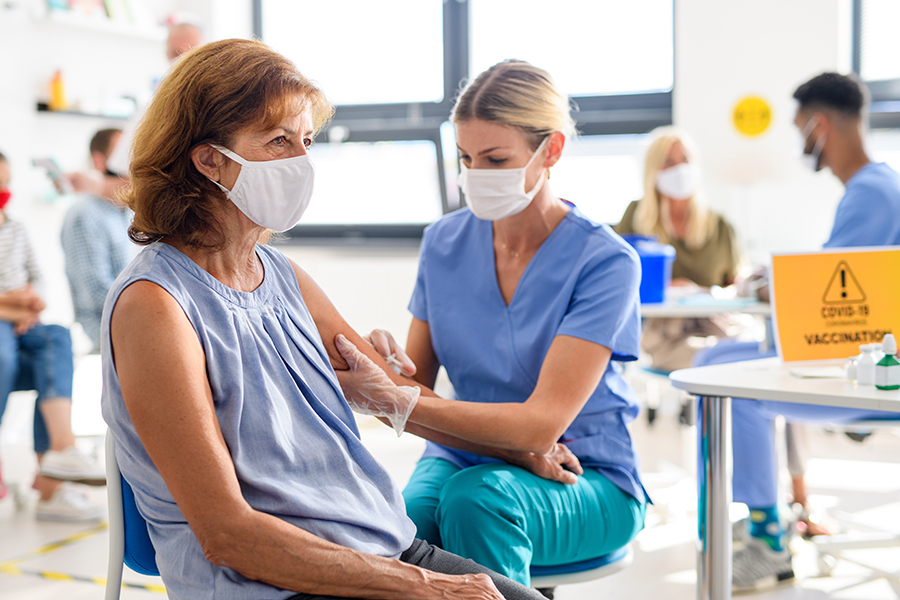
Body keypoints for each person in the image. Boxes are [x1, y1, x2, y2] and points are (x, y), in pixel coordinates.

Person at [102, 38, 553, 600]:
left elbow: (394, 392)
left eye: (306, 141)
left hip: (378, 545)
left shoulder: (282, 276)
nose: (301, 161)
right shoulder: (156, 305)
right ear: (209, 158)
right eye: (278, 141)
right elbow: (228, 536)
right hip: (273, 580)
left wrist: (510, 446)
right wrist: (425, 587)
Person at [337, 60, 648, 592]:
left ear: (550, 151)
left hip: (585, 472)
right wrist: (385, 371)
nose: (476, 174)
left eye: (496, 158)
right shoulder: (444, 243)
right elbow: (416, 390)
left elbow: (540, 428)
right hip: (460, 453)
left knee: (478, 502)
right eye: (466, 158)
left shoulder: (605, 261)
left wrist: (395, 398)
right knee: (398, 522)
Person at [726, 72, 900, 592]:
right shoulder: (877, 187)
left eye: (802, 128)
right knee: (721, 361)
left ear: (820, 126)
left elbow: (832, 296)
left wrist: (767, 288)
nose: (802, 141)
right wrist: (776, 282)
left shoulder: (872, 194)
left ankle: (767, 539)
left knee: (736, 388)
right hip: (867, 359)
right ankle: (769, 510)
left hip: (872, 376)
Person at [0, 151, 106, 520]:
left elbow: (37, 277)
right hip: (5, 327)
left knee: (56, 338)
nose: (3, 191)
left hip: (22, 321)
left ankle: (58, 462)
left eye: (6, 184)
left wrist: (29, 304)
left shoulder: (14, 228)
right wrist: (13, 305)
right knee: (5, 357)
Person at [615, 127, 746, 373]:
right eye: (669, 162)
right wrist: (667, 289)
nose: (680, 168)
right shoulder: (635, 217)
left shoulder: (719, 226)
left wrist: (701, 292)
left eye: (685, 159)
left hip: (713, 324)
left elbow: (736, 286)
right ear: (653, 171)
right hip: (660, 331)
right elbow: (617, 278)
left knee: (731, 354)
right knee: (709, 362)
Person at [61, 128, 135, 352]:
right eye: (122, 154)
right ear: (100, 161)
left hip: (138, 313)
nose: (130, 162)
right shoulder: (85, 216)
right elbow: (95, 291)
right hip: (111, 327)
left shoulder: (129, 211)